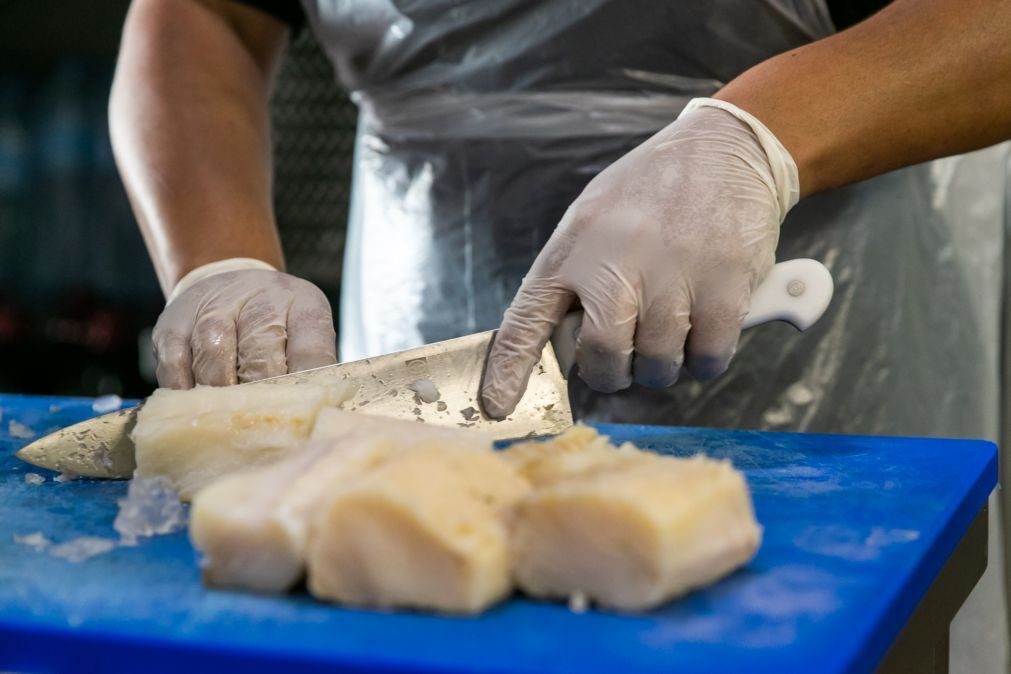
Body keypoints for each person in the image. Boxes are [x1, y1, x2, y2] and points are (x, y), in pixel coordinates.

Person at [109, 0, 1011, 670]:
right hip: (424, 308)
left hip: (833, 336)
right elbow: (202, 17)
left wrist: (758, 140)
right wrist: (218, 263)